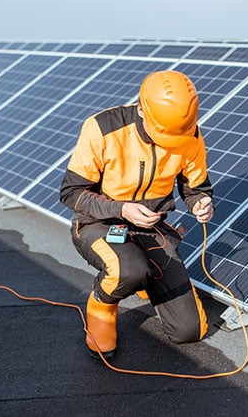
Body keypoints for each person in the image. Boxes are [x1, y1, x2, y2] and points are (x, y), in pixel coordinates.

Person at [60, 70, 214, 358]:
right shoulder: (103, 128)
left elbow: (196, 186)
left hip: (150, 227)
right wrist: (121, 209)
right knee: (126, 270)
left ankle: (146, 278)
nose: (170, 141)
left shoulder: (188, 133)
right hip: (99, 223)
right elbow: (71, 193)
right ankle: (101, 306)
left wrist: (200, 202)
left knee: (188, 331)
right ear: (142, 109)